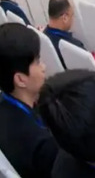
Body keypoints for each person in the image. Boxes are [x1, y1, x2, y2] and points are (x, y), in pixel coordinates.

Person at [0, 23, 59, 177]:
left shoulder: (6, 106)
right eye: (38, 62)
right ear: (20, 79)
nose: (44, 67)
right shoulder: (43, 145)